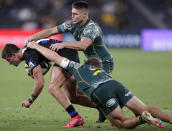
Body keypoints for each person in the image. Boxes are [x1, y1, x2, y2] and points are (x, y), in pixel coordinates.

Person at [26, 41, 172, 129]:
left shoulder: (78, 67)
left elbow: (55, 57)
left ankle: (142, 119)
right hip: (115, 84)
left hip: (101, 91)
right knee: (145, 108)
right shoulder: (103, 72)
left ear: (87, 63)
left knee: (120, 123)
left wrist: (36, 46)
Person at [26, 1, 114, 122]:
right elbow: (51, 31)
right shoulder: (71, 24)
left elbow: (83, 45)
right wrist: (33, 37)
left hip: (103, 62)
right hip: (90, 62)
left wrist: (63, 44)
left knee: (90, 89)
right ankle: (102, 108)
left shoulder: (91, 28)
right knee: (73, 96)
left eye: (76, 14)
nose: (72, 16)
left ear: (84, 14)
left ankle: (117, 111)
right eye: (72, 13)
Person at [1, 39, 86, 128]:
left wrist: (30, 100)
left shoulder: (28, 54)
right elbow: (48, 60)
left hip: (66, 55)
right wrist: (41, 70)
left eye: (8, 60)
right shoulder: (29, 49)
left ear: (14, 55)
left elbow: (40, 83)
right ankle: (100, 107)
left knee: (53, 88)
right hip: (68, 52)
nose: (9, 63)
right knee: (73, 97)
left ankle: (76, 117)